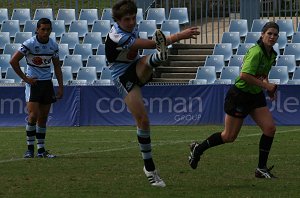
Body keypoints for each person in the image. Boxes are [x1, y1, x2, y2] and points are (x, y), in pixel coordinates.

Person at [105, 0, 200, 187]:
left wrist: (161, 44)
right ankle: (149, 168)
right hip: (122, 77)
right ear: (117, 20)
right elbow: (149, 43)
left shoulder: (130, 26)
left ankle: (158, 57)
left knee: (147, 61)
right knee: (143, 121)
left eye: (133, 18)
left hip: (137, 66)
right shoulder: (117, 35)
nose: (131, 22)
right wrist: (180, 36)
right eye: (127, 20)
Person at [188, 21, 279, 178]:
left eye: (275, 34)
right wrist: (267, 87)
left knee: (270, 129)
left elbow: (262, 74)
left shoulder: (272, 54)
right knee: (229, 137)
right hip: (240, 95)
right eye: (269, 33)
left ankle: (261, 169)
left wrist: (268, 86)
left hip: (255, 95)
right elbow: (244, 75)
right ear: (262, 35)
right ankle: (198, 149)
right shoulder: (256, 52)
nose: (272, 37)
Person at [10, 18, 63, 158]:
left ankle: (41, 150)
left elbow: (57, 66)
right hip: (34, 84)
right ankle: (29, 149)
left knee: (43, 118)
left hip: (47, 84)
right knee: (33, 115)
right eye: (43, 29)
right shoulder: (29, 44)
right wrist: (26, 79)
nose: (46, 32)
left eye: (48, 29)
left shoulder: (53, 45)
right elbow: (13, 61)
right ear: (37, 30)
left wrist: (61, 87)